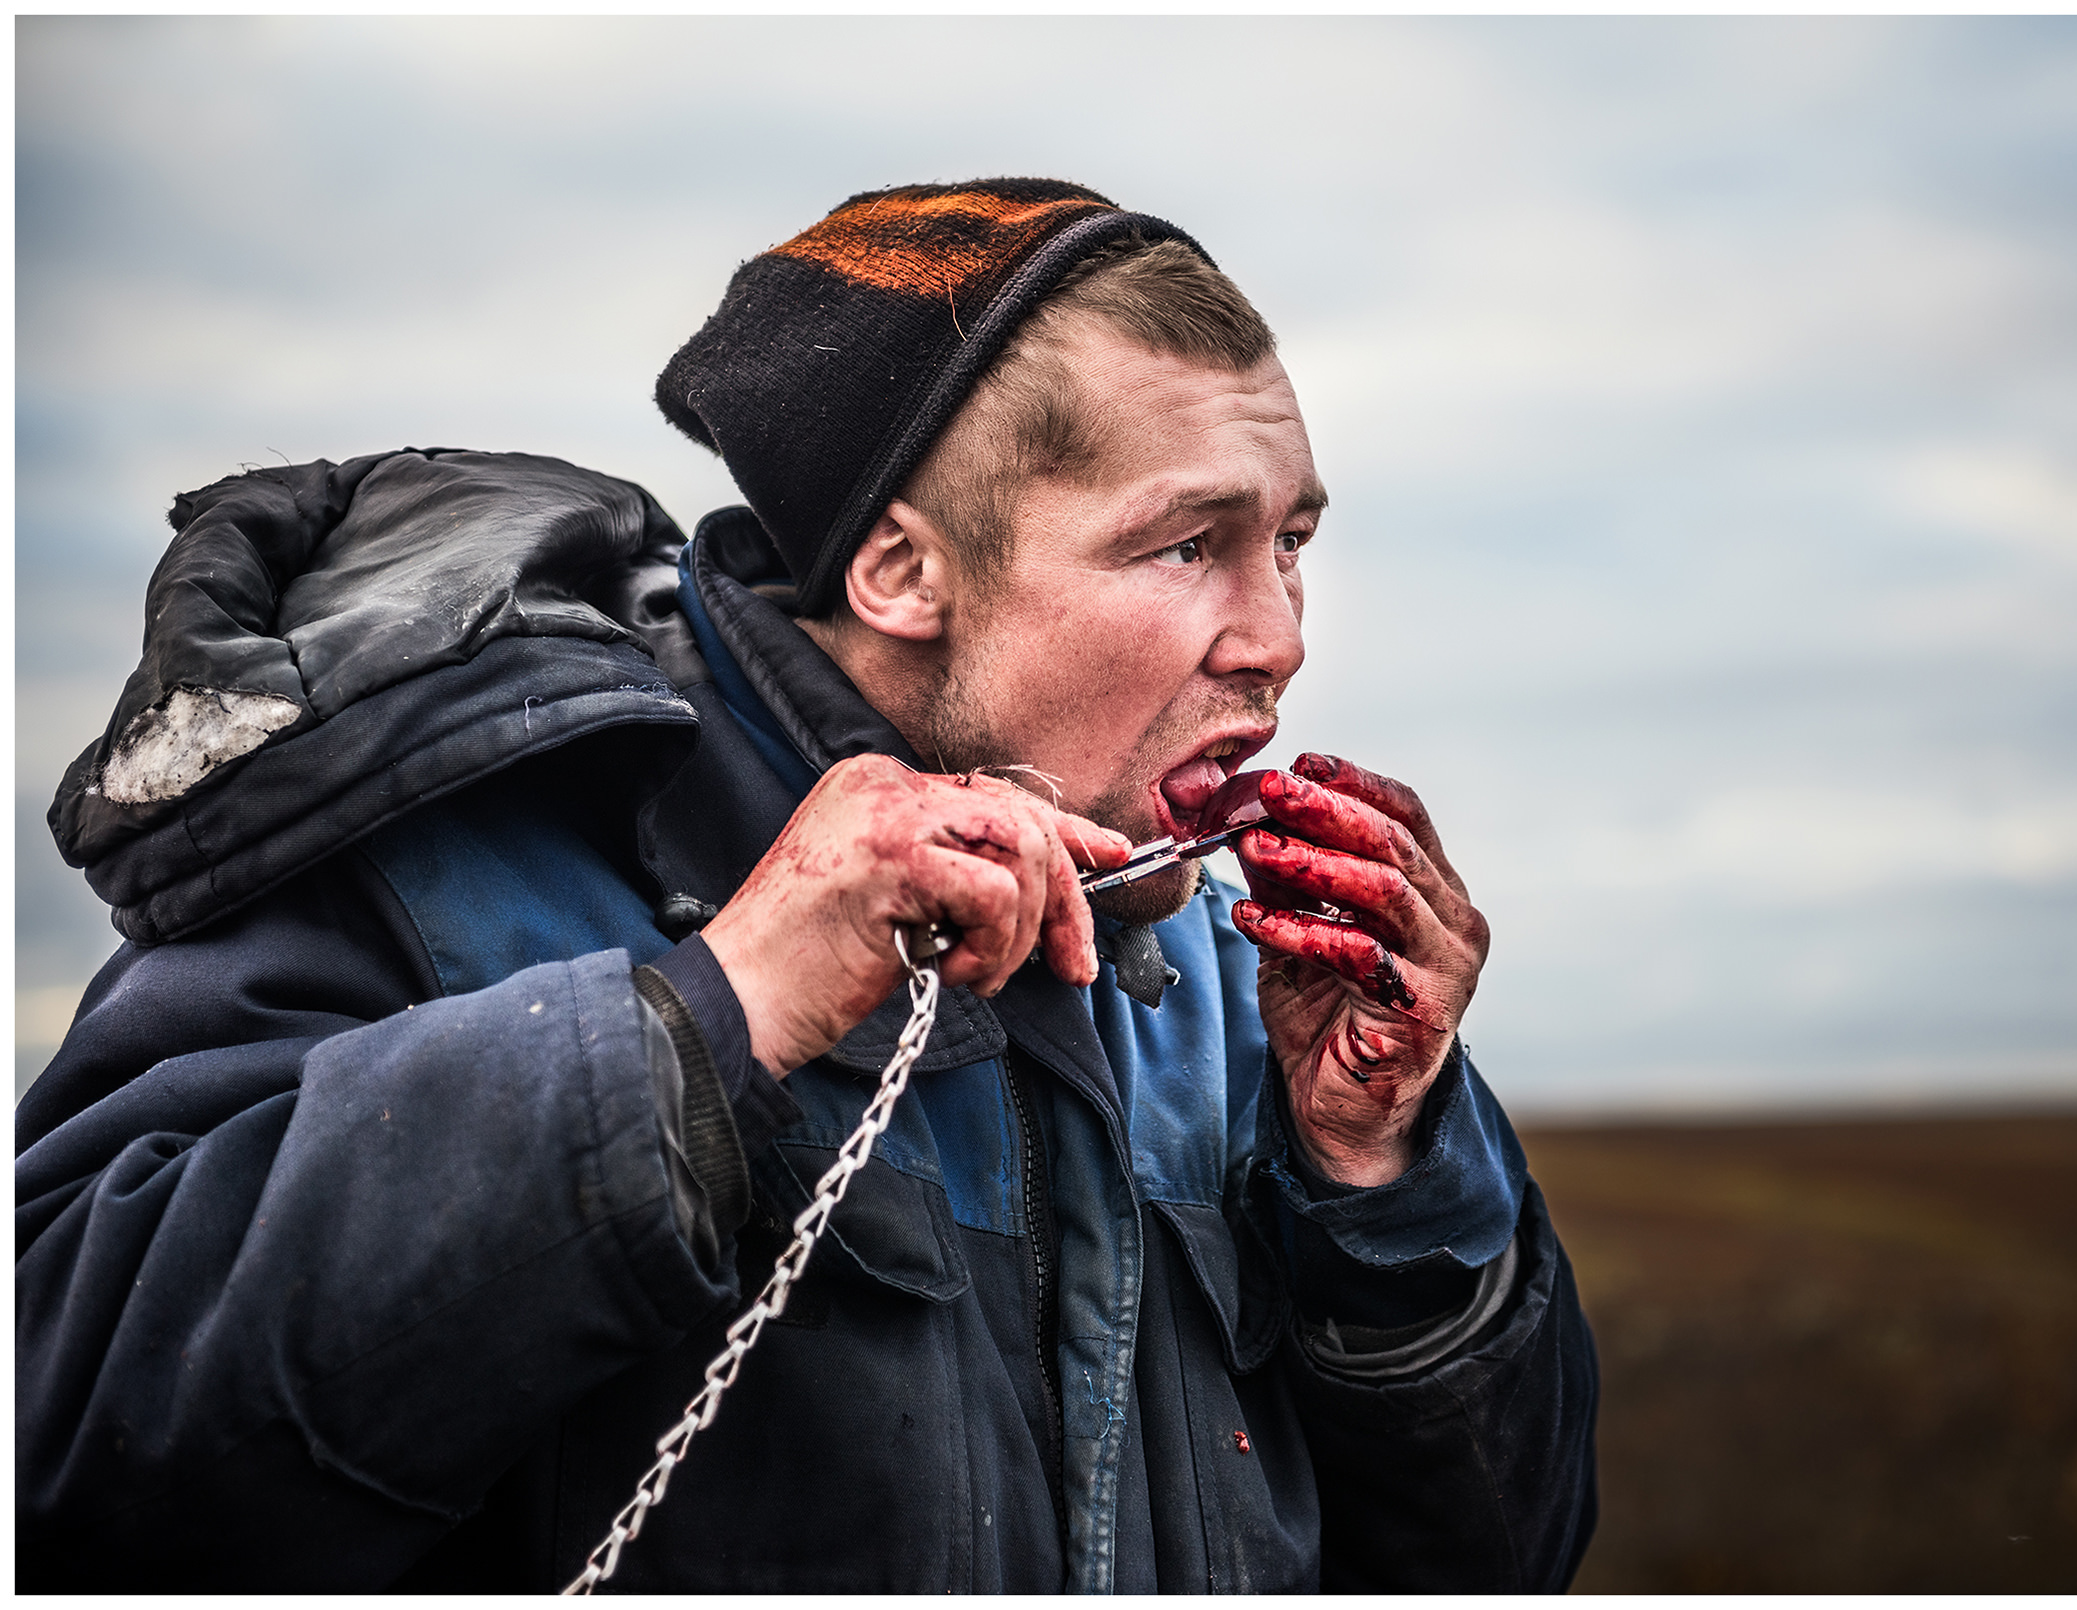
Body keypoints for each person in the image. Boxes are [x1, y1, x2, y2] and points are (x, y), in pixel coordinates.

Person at [18, 178, 1598, 1592]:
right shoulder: (456, 863)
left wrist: (1385, 1176)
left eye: (1292, 540)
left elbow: (1501, 1560)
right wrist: (710, 1020)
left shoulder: (1231, 989)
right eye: (1187, 545)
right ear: (900, 570)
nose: (1279, 635)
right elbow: (67, 1451)